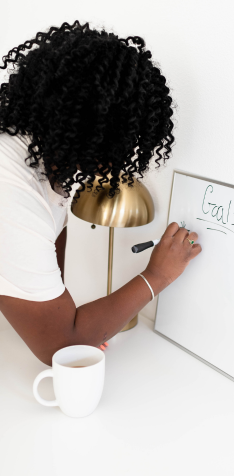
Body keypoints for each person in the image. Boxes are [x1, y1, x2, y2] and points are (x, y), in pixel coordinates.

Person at [0, 20, 201, 366]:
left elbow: (49, 234)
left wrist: (85, 324)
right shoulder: (12, 187)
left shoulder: (40, 150)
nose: (121, 160)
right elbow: (60, 347)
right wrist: (158, 275)